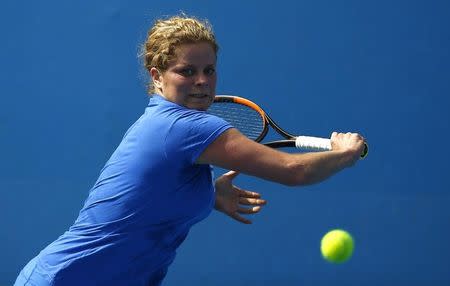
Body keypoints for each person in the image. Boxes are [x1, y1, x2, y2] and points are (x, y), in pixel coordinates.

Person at [14, 15, 366, 286]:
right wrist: (344, 153)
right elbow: (294, 171)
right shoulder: (189, 127)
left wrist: (208, 194)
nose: (202, 81)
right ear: (157, 76)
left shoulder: (161, 121)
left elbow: (146, 194)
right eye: (187, 71)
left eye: (209, 70)